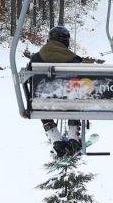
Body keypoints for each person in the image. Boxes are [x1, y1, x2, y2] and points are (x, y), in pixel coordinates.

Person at [30, 26, 86, 157]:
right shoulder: (75, 60)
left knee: (41, 99)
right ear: (66, 42)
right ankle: (73, 138)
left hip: (41, 103)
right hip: (70, 102)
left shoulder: (35, 59)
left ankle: (56, 140)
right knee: (76, 98)